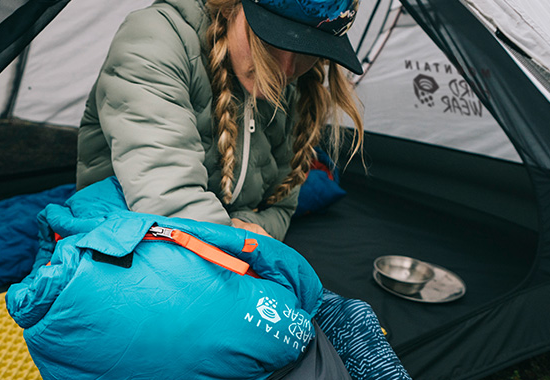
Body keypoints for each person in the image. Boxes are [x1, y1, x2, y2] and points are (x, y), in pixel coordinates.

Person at [76, 0, 410, 378]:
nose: (287, 69)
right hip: (125, 258)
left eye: (307, 49)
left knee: (352, 330)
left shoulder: (298, 84)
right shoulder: (155, 39)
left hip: (225, 265)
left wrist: (245, 226)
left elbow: (280, 208)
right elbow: (170, 203)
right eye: (273, 39)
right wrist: (248, 239)